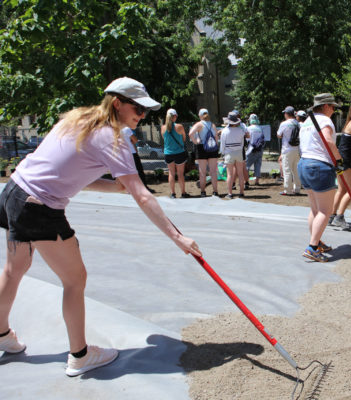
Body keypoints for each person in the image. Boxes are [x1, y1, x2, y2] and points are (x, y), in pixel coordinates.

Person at [0, 77, 202, 376]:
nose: (142, 115)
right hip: (37, 207)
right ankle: (80, 355)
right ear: (117, 103)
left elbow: (71, 174)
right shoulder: (113, 137)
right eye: (138, 108)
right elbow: (143, 195)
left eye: (145, 111)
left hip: (13, 192)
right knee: (75, 279)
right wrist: (177, 237)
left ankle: (2, 335)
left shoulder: (76, 119)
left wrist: (117, 187)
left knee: (14, 270)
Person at [297, 93, 342, 262]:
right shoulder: (324, 120)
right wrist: (339, 160)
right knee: (325, 210)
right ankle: (313, 247)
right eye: (332, 107)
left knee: (315, 209)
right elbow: (329, 143)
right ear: (325, 106)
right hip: (319, 165)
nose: (333, 110)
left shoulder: (307, 122)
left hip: (304, 164)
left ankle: (316, 241)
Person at [189, 108, 219, 197]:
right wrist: (215, 145)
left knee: (202, 172)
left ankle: (203, 191)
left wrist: (196, 142)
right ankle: (215, 191)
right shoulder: (212, 125)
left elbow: (190, 134)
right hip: (212, 148)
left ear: (200, 116)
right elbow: (216, 136)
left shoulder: (199, 124)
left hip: (202, 148)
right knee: (213, 172)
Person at [161, 108, 190, 198]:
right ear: (174, 116)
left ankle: (173, 193)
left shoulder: (163, 128)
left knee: (171, 173)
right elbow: (184, 138)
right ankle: (183, 193)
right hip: (179, 152)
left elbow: (164, 139)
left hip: (168, 153)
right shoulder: (179, 126)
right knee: (180, 174)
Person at [220, 111, 249, 199]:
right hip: (239, 152)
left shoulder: (225, 131)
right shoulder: (241, 130)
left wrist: (223, 153)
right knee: (240, 173)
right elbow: (243, 142)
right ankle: (241, 192)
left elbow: (222, 145)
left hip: (229, 153)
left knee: (230, 174)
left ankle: (230, 193)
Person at [122, 126, 155, 193]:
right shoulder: (126, 129)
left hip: (123, 153)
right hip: (131, 153)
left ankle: (129, 189)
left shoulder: (115, 128)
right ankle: (144, 187)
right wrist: (132, 142)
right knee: (139, 171)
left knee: (128, 172)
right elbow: (135, 140)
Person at [277, 106, 301, 195]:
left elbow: (279, 134)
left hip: (287, 149)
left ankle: (288, 190)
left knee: (287, 170)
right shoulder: (297, 123)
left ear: (287, 114)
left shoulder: (284, 124)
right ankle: (297, 188)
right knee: (296, 170)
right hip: (297, 149)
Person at [245, 114, 265, 186]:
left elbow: (247, 139)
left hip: (251, 149)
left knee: (246, 166)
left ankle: (246, 182)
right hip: (259, 149)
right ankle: (257, 181)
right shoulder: (260, 128)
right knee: (258, 165)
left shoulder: (248, 128)